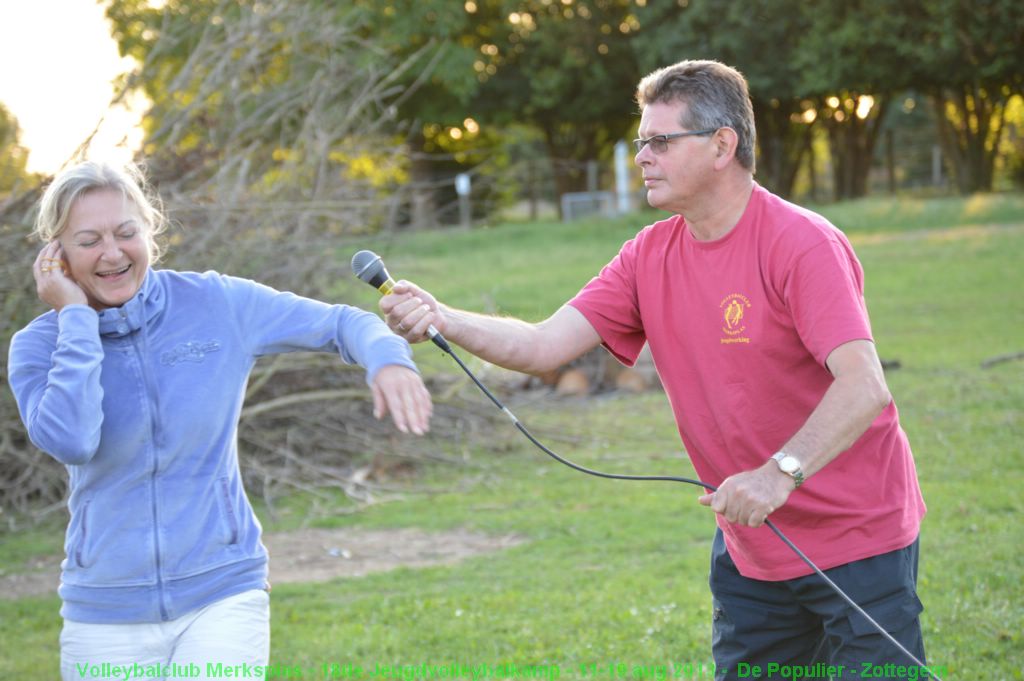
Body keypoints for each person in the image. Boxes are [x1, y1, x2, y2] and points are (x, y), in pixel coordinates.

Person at [381, 60, 927, 679]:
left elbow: (865, 384)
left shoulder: (801, 243)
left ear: (723, 145)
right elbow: (541, 345)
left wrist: (779, 475)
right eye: (642, 142)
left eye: (661, 142)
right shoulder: (647, 255)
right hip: (753, 550)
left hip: (859, 542)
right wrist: (442, 316)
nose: (643, 156)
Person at [7, 160, 433, 680]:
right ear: (57, 257)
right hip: (104, 613)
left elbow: (342, 322)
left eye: (126, 232)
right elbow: (72, 439)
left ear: (150, 233)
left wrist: (388, 361)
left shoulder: (216, 303)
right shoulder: (37, 347)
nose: (113, 253)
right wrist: (75, 319)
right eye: (88, 240)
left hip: (222, 593)